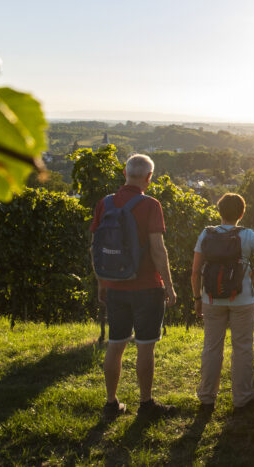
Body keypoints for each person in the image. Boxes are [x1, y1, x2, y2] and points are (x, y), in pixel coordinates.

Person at [90, 153, 177, 421]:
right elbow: (158, 250)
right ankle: (146, 403)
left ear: (125, 173)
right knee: (145, 346)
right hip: (146, 287)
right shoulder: (151, 205)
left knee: (115, 344)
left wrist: (102, 282)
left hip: (115, 285)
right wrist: (170, 287)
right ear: (149, 177)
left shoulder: (105, 203)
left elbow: (95, 248)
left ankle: (110, 403)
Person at [191, 193, 254, 412]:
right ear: (242, 214)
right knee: (242, 348)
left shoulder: (206, 234)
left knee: (212, 347)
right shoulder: (247, 235)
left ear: (219, 211)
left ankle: (206, 397)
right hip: (242, 299)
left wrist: (197, 298)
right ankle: (242, 396)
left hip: (211, 298)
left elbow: (195, 272)